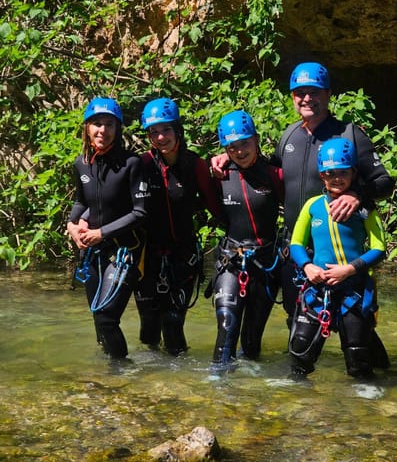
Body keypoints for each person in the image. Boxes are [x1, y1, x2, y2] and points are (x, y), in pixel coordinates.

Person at [211, 62, 395, 329]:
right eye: (300, 92)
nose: (307, 98)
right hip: (296, 251)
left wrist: (357, 194)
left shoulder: (350, 135)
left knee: (356, 329)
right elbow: (262, 170)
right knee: (297, 323)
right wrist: (226, 158)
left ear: (328, 94)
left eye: (314, 91)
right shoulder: (289, 135)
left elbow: (385, 182)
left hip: (342, 252)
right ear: (292, 97)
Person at [288, 137, 389, 379]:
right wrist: (308, 266)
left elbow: (379, 248)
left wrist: (350, 270)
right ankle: (295, 394)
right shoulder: (312, 206)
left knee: (357, 353)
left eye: (343, 172)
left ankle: (366, 394)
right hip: (318, 287)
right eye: (330, 173)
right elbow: (296, 244)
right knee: (300, 349)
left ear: (354, 172)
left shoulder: (365, 209)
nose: (337, 178)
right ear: (322, 176)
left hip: (353, 289)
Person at [135, 97, 222, 355]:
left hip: (183, 258)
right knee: (148, 330)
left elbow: (215, 206)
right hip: (147, 258)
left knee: (173, 326)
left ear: (178, 130)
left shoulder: (195, 165)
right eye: (154, 132)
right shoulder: (142, 165)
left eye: (166, 130)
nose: (161, 137)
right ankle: (150, 385)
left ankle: (178, 385)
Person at [67, 97, 150, 359]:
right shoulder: (82, 163)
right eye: (96, 124)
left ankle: (122, 376)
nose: (102, 130)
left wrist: (100, 232)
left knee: (105, 317)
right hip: (94, 252)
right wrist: (71, 225)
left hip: (126, 250)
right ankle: (106, 384)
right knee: (97, 320)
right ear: (87, 128)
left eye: (109, 124)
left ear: (117, 129)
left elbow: (140, 213)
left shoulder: (131, 164)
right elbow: (82, 201)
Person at [209, 110, 284, 371]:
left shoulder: (275, 174)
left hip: (265, 264)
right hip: (231, 260)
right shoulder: (218, 175)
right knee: (227, 325)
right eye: (232, 147)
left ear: (256, 140)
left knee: (251, 342)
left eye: (244, 143)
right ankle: (217, 385)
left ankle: (248, 396)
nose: (239, 151)